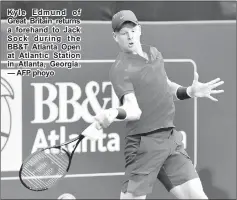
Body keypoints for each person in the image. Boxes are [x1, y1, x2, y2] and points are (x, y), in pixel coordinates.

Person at [94, 10, 224, 199]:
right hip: (143, 145)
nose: (130, 36)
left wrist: (189, 91)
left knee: (196, 196)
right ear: (115, 37)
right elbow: (133, 109)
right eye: (123, 33)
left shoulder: (154, 53)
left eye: (132, 29)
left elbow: (166, 87)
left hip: (170, 140)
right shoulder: (120, 69)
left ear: (140, 30)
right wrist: (115, 112)